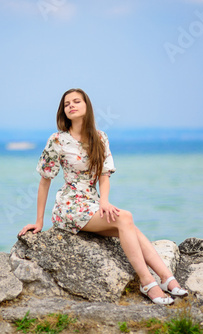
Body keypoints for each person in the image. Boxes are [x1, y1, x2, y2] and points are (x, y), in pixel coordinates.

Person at [18, 88, 188, 306]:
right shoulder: (58, 140)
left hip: (92, 203)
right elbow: (45, 180)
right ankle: (147, 282)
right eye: (66, 103)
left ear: (86, 106)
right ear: (63, 111)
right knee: (125, 217)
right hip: (69, 206)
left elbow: (104, 176)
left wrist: (104, 202)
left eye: (76, 101)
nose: (71, 105)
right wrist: (39, 221)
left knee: (129, 227)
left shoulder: (100, 138)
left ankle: (166, 278)